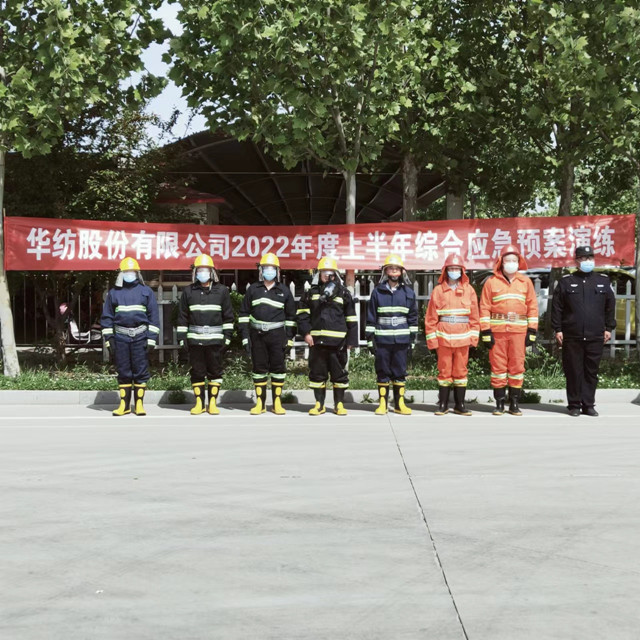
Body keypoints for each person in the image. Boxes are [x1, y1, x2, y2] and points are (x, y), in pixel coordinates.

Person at [551, 245, 616, 417]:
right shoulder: (566, 281)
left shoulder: (603, 281)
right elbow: (557, 307)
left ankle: (588, 404)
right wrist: (558, 329)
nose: (587, 261)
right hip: (572, 334)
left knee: (591, 371)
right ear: (576, 261)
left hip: (596, 334)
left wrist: (609, 327)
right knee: (573, 370)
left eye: (590, 258)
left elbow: (610, 306)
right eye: (583, 258)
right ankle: (574, 405)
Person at [479, 245, 538, 416]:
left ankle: (514, 403)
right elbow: (484, 308)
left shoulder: (525, 282)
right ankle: (499, 403)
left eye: (514, 260)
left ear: (519, 262)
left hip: (519, 332)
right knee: (498, 367)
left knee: (517, 367)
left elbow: (532, 307)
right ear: (501, 262)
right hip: (497, 332)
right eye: (508, 260)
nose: (511, 263)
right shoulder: (491, 282)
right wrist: (486, 332)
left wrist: (532, 331)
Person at [296, 257, 358, 416]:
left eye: (330, 272)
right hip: (317, 342)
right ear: (319, 273)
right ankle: (319, 404)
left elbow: (351, 317)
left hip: (338, 343)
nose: (327, 274)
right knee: (317, 374)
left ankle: (339, 405)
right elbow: (302, 314)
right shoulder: (311, 293)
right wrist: (306, 333)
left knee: (339, 375)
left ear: (335, 274)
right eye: (324, 271)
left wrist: (351, 340)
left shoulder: (343, 293)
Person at [238, 253, 296, 415]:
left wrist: (289, 338)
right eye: (266, 268)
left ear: (277, 271)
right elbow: (243, 314)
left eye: (271, 268)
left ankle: (277, 402)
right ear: (261, 270)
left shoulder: (284, 291)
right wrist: (245, 337)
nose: (268, 271)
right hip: (257, 336)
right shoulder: (253, 290)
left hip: (277, 336)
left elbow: (291, 317)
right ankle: (260, 403)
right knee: (259, 369)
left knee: (278, 368)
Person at [101, 257, 160, 416]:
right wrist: (109, 339)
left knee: (140, 371)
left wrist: (151, 339)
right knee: (123, 371)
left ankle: (139, 405)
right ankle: (125, 405)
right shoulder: (114, 293)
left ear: (137, 273)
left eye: (132, 271)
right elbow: (107, 318)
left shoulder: (146, 292)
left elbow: (154, 317)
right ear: (121, 274)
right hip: (121, 338)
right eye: (126, 271)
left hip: (140, 337)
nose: (129, 274)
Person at [177, 254, 234, 415]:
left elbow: (228, 316)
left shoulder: (221, 291)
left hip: (215, 341)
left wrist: (227, 338)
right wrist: (182, 338)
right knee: (197, 372)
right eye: (200, 270)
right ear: (195, 272)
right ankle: (199, 403)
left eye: (206, 270)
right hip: (195, 341)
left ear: (211, 272)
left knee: (215, 372)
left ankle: (212, 403)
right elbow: (182, 317)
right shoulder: (189, 291)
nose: (203, 273)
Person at [425, 254, 480, 416]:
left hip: (463, 339)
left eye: (457, 268)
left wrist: (473, 339)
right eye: (451, 268)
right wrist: (432, 341)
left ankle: (460, 405)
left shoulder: (469, 290)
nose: (454, 271)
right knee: (444, 372)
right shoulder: (438, 291)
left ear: (462, 271)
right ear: (446, 270)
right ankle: (443, 404)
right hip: (443, 339)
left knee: (461, 372)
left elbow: (475, 317)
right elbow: (430, 318)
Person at [366, 254, 419, 415]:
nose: (394, 271)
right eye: (391, 268)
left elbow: (413, 318)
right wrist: (370, 340)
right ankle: (383, 403)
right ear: (385, 271)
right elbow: (371, 317)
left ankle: (399, 404)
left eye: (397, 269)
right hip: (382, 340)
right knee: (382, 371)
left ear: (402, 272)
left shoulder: (408, 293)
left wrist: (412, 340)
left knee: (400, 372)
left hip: (401, 341)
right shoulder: (377, 292)